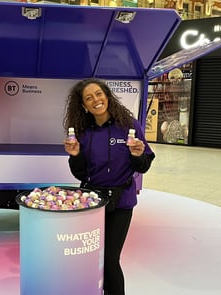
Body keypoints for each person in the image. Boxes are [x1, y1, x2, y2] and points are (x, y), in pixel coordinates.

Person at [63, 78, 155, 295]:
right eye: (88, 98)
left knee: (110, 259)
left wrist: (138, 154)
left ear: (107, 96)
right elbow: (81, 173)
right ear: (84, 106)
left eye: (98, 94)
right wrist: (75, 156)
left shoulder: (129, 125)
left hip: (121, 202)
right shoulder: (83, 132)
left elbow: (144, 164)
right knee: (91, 257)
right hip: (92, 203)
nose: (95, 100)